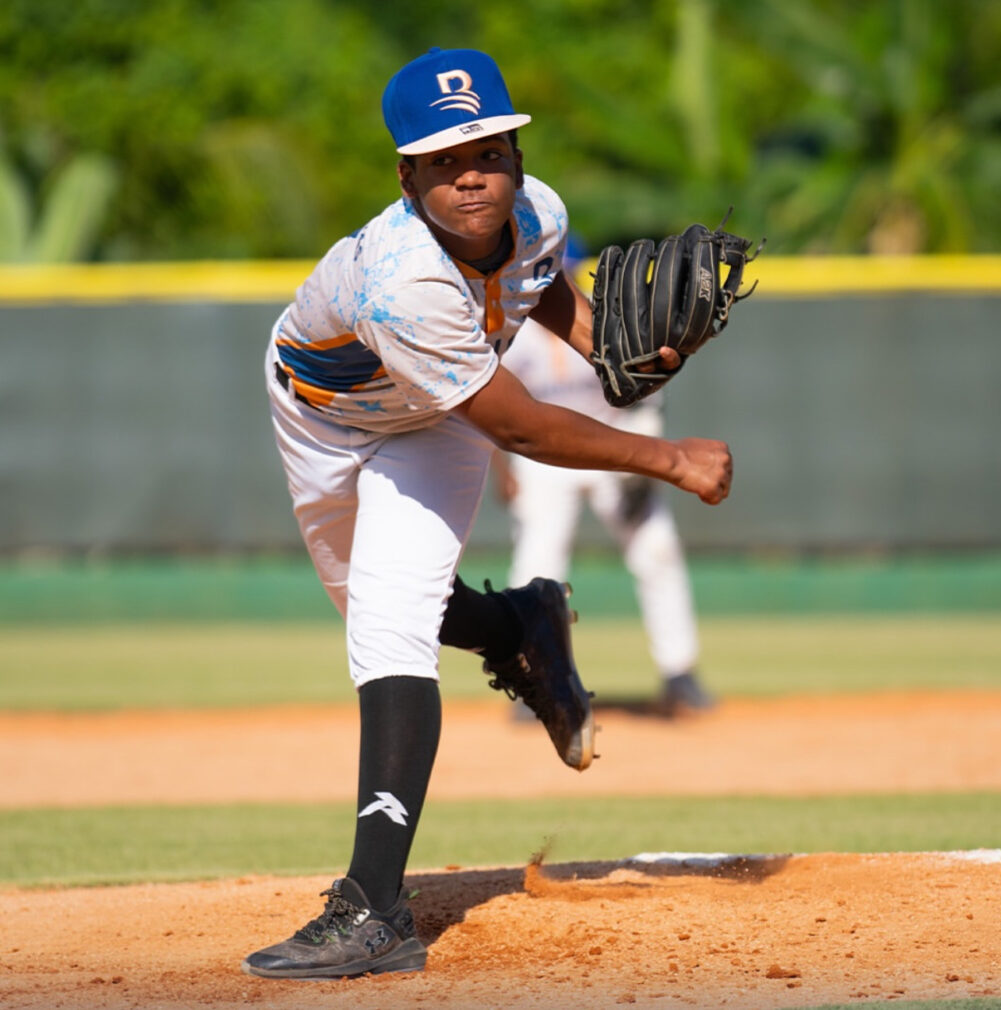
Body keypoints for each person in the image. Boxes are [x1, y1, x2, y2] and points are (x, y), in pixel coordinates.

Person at [243, 46, 732, 982]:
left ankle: (373, 909)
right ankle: (518, 625)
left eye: (488, 151)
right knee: (375, 606)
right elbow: (519, 426)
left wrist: (616, 351)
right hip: (324, 420)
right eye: (443, 160)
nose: (470, 175)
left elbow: (533, 283)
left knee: (388, 628)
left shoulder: (539, 211)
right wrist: (668, 457)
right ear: (406, 177)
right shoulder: (400, 277)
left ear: (515, 155)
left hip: (433, 424)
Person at [495, 310, 716, 715]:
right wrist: (500, 468)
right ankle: (532, 682)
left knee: (657, 549)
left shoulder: (599, 323)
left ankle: (680, 673)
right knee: (536, 566)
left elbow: (645, 394)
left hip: (610, 446)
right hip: (542, 459)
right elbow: (491, 401)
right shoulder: (515, 332)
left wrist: (645, 451)